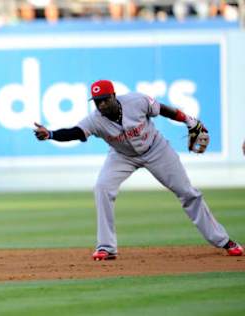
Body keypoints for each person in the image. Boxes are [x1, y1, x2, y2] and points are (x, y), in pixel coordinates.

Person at [34, 79, 243, 261]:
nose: (102, 104)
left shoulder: (137, 101)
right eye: (97, 101)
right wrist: (50, 134)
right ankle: (106, 248)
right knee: (102, 187)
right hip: (121, 156)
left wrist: (189, 121)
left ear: (114, 96)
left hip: (156, 149)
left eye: (105, 99)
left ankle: (224, 241)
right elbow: (75, 132)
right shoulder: (95, 120)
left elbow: (164, 110)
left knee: (187, 193)